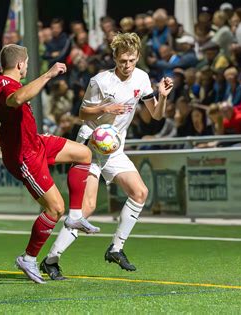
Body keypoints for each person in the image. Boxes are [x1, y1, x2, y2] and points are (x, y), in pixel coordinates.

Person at [40, 33, 174, 280]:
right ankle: (51, 259)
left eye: (132, 60)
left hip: (114, 148)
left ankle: (116, 248)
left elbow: (155, 116)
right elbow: (82, 113)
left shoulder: (143, 78)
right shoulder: (101, 81)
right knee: (87, 207)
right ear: (114, 58)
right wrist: (105, 108)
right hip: (90, 146)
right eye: (123, 60)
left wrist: (162, 97)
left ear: (137, 58)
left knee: (140, 192)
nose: (127, 65)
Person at [0, 44, 99, 284]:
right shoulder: (7, 86)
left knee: (83, 154)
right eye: (26, 62)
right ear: (19, 64)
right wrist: (47, 75)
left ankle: (76, 215)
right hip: (24, 156)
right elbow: (17, 99)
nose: (26, 66)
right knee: (55, 209)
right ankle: (28, 258)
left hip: (35, 142)